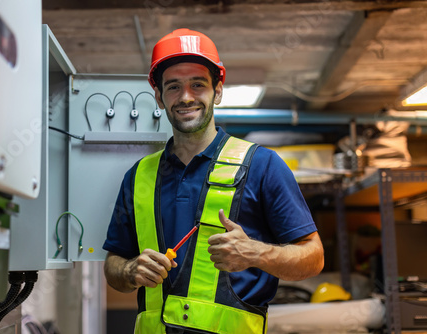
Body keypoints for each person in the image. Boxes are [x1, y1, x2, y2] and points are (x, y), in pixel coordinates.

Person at [103, 28, 324, 334]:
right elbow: (113, 263)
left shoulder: (262, 165)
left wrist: (256, 253)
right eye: (174, 87)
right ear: (159, 96)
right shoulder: (138, 176)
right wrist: (129, 270)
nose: (186, 97)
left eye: (198, 84)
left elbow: (313, 257)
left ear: (218, 91)